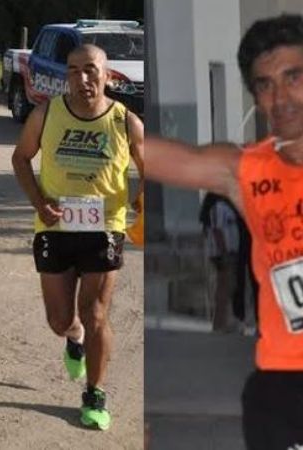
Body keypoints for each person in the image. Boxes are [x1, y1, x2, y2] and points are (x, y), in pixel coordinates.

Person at [145, 14, 303, 449]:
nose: (280, 97)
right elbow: (153, 155)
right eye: (264, 85)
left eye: (293, 77)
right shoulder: (246, 170)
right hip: (285, 386)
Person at [12, 43, 144, 430]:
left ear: (107, 76)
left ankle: (95, 394)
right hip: (55, 227)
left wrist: (144, 199)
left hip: (104, 228)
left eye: (90, 70)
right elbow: (20, 158)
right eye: (73, 70)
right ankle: (74, 337)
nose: (82, 78)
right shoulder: (46, 113)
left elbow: (150, 165)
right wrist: (38, 202)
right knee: (60, 319)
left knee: (96, 312)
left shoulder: (125, 122)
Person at [200, 193, 242, 332]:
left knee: (227, 286)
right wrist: (224, 251)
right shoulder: (218, 207)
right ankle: (220, 322)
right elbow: (217, 230)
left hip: (228, 251)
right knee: (225, 287)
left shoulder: (225, 207)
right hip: (223, 253)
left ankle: (223, 319)